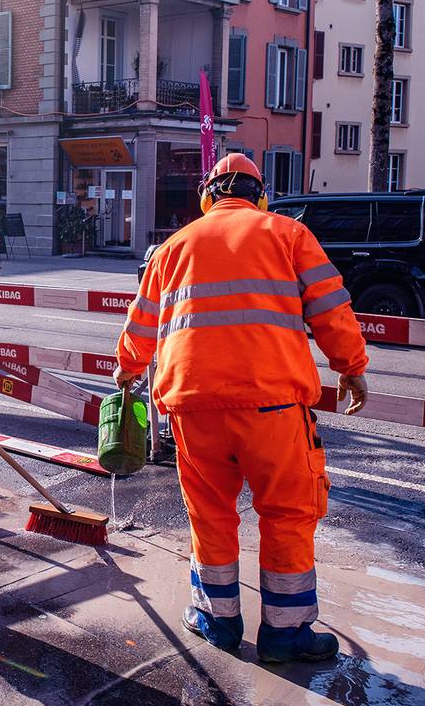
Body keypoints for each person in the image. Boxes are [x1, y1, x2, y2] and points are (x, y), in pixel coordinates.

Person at [114, 153, 369, 663]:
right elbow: (330, 309)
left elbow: (143, 322)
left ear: (207, 197)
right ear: (261, 196)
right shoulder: (289, 235)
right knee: (288, 513)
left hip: (193, 405)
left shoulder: (173, 247)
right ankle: (287, 631)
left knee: (209, 512)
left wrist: (127, 367)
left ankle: (217, 620)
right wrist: (351, 366)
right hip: (271, 406)